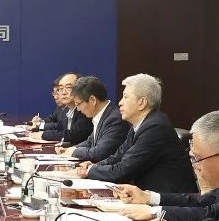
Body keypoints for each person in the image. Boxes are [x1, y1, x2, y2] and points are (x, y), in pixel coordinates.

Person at [68, 74, 196, 194]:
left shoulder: (155, 127)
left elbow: (123, 170)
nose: (120, 102)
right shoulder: (139, 125)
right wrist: (95, 166)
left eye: (125, 97)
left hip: (168, 202)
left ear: (142, 103)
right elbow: (118, 157)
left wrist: (90, 171)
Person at [57, 76, 127, 163]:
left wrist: (74, 152)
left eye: (78, 104)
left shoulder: (114, 119)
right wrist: (70, 149)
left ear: (92, 100)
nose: (78, 109)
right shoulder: (102, 115)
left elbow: (100, 153)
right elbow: (90, 141)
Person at [31, 73, 92, 145]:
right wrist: (39, 127)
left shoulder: (84, 109)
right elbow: (60, 127)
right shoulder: (66, 109)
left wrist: (43, 135)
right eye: (60, 88)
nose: (63, 92)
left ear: (80, 89)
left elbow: (75, 135)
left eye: (68, 87)